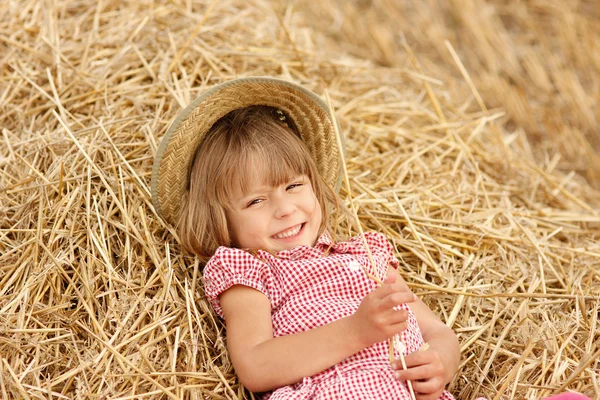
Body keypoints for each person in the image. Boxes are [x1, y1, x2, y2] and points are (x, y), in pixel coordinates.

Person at [150, 78, 589, 400]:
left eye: (293, 186)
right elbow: (256, 366)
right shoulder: (249, 270)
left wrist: (440, 362)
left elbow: (437, 330)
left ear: (315, 184)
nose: (284, 209)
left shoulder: (366, 255)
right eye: (254, 202)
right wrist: (357, 331)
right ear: (221, 222)